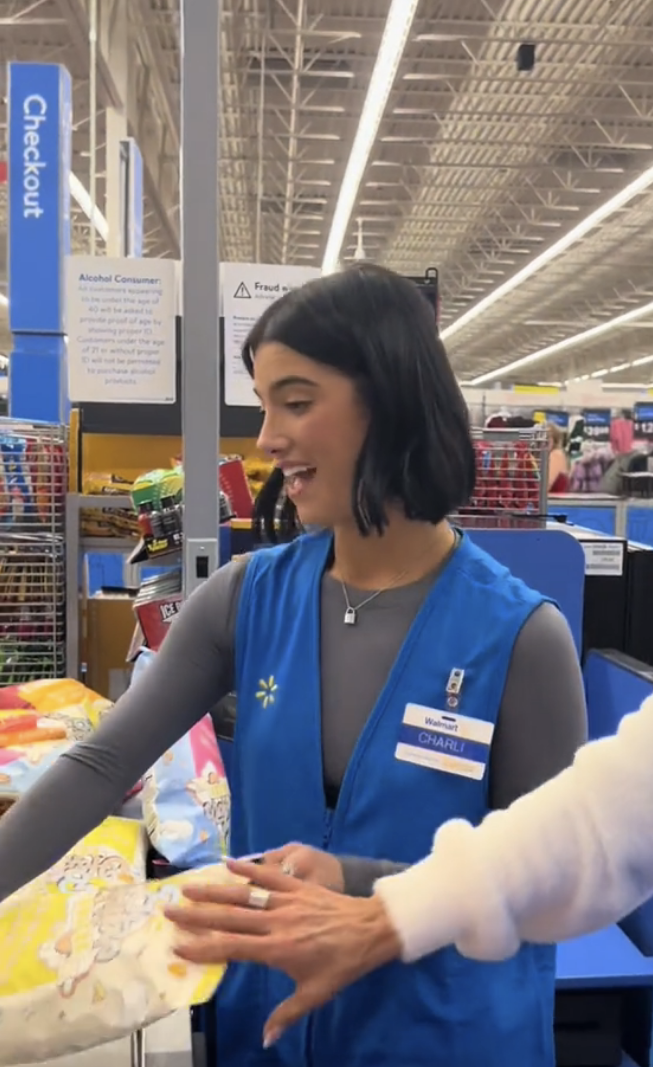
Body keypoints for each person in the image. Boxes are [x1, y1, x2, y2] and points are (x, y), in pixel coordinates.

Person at [0, 266, 586, 1067]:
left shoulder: (521, 637)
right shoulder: (246, 599)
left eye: (297, 401)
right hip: (273, 1032)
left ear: (388, 401)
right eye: (264, 403)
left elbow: (553, 883)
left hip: (447, 1035)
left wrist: (356, 882)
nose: (269, 437)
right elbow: (102, 762)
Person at [167, 691, 653, 1051]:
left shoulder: (521, 629)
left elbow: (601, 827)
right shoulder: (258, 600)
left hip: (445, 1027)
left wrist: (383, 910)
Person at [547, 423, 569, 493]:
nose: (543, 441)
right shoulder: (544, 457)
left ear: (554, 440)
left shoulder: (556, 454)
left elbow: (546, 485)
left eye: (547, 437)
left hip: (554, 502)